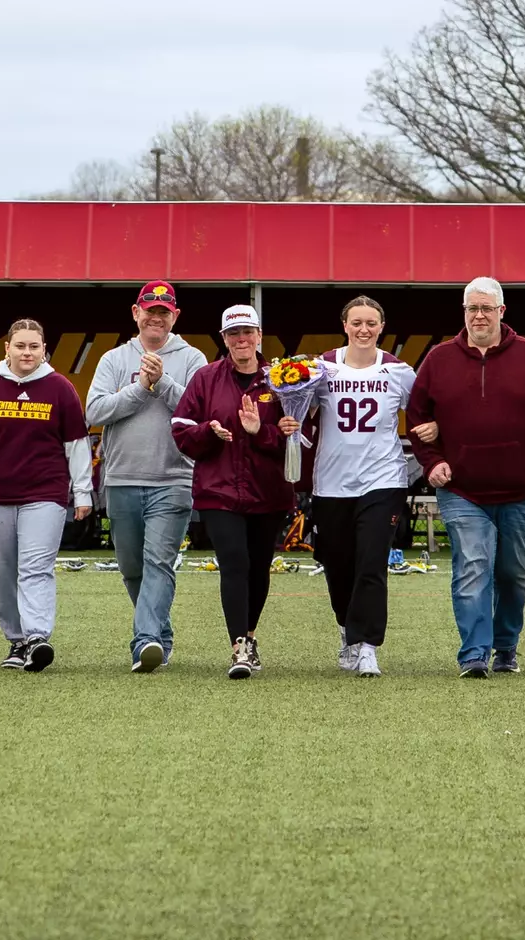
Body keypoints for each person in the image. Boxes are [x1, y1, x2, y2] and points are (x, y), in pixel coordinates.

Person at [405, 277, 525, 678]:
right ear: (463, 312)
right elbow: (416, 416)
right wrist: (431, 462)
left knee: (513, 575)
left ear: (501, 311)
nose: (479, 316)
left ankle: (506, 647)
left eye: (486, 308)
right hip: (461, 490)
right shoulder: (439, 359)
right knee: (473, 567)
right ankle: (474, 654)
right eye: (472, 309)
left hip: (521, 490)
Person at [84, 281, 207, 673]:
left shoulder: (193, 358)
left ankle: (145, 642)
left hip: (174, 478)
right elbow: (94, 412)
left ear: (175, 316)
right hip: (121, 477)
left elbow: (201, 411)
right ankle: (160, 636)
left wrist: (163, 382)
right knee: (132, 568)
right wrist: (140, 388)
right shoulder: (114, 359)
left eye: (164, 312)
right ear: (136, 313)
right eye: (150, 310)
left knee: (158, 562)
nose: (157, 317)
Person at [171, 304, 293, 680]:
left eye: (247, 332)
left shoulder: (282, 379)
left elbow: (296, 440)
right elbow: (180, 430)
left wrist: (261, 432)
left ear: (259, 336)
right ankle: (238, 647)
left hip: (268, 491)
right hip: (219, 490)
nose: (242, 339)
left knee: (258, 566)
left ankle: (250, 636)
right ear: (224, 339)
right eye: (234, 333)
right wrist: (208, 431)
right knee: (235, 563)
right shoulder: (205, 378)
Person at [0, 319, 93, 672]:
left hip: (45, 493)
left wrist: (83, 492)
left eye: (34, 346)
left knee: (36, 568)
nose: (27, 353)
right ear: (7, 348)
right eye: (20, 346)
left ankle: (37, 637)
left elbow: (76, 444)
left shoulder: (60, 387)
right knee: (5, 571)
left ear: (44, 350)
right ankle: (16, 640)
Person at [307, 296, 417, 677]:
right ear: (345, 325)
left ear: (381, 326)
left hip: (382, 480)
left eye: (371, 323)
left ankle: (368, 646)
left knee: (371, 563)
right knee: (337, 566)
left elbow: (424, 409)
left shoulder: (398, 371)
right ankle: (347, 630)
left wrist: (432, 428)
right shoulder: (323, 367)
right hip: (332, 483)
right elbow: (299, 408)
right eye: (357, 322)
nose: (364, 330)